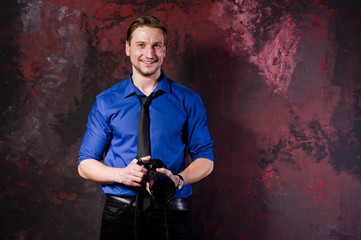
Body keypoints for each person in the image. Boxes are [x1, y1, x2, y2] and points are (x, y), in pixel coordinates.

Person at [78, 15, 214, 240]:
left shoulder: (188, 100)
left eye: (156, 46)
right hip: (119, 210)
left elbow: (206, 159)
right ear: (128, 48)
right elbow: (85, 164)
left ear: (164, 50)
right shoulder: (106, 101)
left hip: (171, 208)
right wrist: (121, 175)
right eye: (141, 45)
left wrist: (177, 180)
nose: (149, 54)